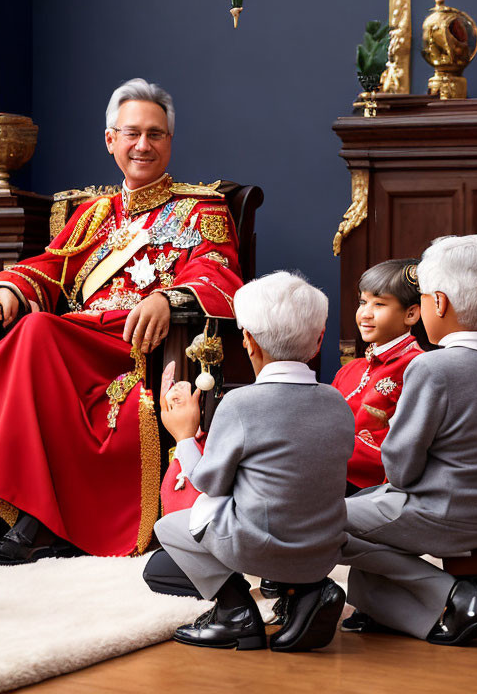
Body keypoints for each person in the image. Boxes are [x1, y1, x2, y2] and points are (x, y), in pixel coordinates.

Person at [0, 78, 243, 564]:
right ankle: (19, 515)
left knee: (33, 334)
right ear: (110, 140)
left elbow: (218, 270)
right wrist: (12, 286)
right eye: (132, 133)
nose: (144, 145)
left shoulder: (200, 208)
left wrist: (168, 296)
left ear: (170, 141)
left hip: (134, 346)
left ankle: (23, 521)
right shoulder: (93, 213)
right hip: (72, 341)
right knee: (32, 335)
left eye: (156, 134)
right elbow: (52, 265)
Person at [340, 234, 477, 646]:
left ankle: (452, 592)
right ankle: (385, 608)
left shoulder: (433, 368)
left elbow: (400, 468)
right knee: (358, 511)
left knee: (318, 521)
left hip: (441, 514)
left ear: (438, 303)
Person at [144, 272, 353, 652]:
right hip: (325, 548)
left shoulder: (241, 404)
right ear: (319, 339)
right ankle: (303, 592)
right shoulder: (337, 400)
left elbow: (210, 483)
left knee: (170, 527)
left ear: (248, 341)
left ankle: (234, 612)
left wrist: (184, 436)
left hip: (265, 549)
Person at [332, 258, 424, 495]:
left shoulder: (417, 367)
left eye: (379, 304)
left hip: (374, 491)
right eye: (363, 302)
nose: (365, 313)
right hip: (332, 476)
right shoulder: (352, 369)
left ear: (411, 314)